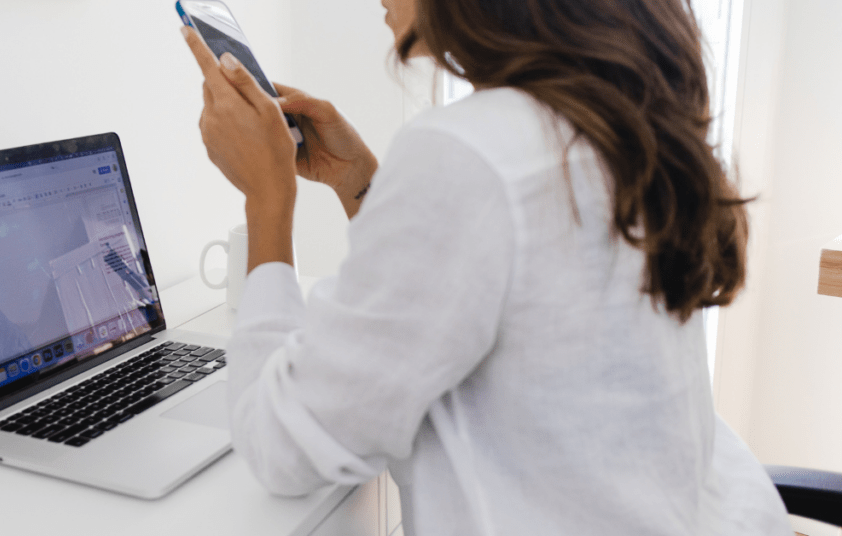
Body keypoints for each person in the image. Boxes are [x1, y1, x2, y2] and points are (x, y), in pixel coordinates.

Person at [181, 0, 792, 534]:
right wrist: (362, 183)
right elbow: (471, 289)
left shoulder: (471, 152)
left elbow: (282, 444)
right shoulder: (607, 117)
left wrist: (266, 197)